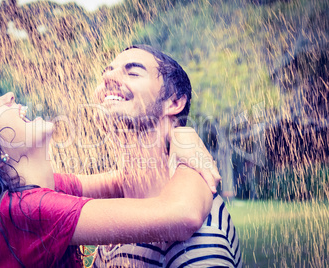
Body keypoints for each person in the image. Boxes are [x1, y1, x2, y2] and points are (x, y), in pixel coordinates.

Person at [0, 91, 219, 267]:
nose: (9, 97)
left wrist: (156, 135)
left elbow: (124, 182)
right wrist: (188, 140)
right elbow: (183, 215)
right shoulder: (23, 212)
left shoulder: (30, 196)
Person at [92, 45, 242, 267]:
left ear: (173, 102)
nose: (107, 76)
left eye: (133, 72)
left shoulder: (195, 238)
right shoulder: (125, 210)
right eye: (108, 70)